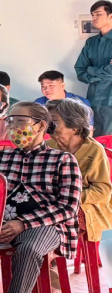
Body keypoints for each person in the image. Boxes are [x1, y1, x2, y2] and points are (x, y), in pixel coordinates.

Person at [0, 102, 83, 293]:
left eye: (20, 121)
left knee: (28, 249)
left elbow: (68, 207)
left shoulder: (63, 160)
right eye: (10, 121)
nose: (13, 126)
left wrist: (22, 223)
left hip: (45, 224)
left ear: (40, 126)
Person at [48, 99, 112, 278]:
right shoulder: (49, 147)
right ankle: (45, 268)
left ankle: (52, 272)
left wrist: (71, 197)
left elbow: (103, 192)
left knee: (58, 220)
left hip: (88, 206)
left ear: (74, 127)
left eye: (54, 121)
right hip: (55, 203)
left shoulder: (94, 150)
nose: (48, 125)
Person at [75, 0, 112, 135]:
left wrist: (91, 70)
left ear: (111, 16)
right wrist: (106, 69)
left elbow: (87, 70)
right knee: (94, 144)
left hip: (110, 100)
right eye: (92, 15)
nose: (94, 18)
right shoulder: (91, 43)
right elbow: (80, 71)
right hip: (93, 101)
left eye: (98, 14)